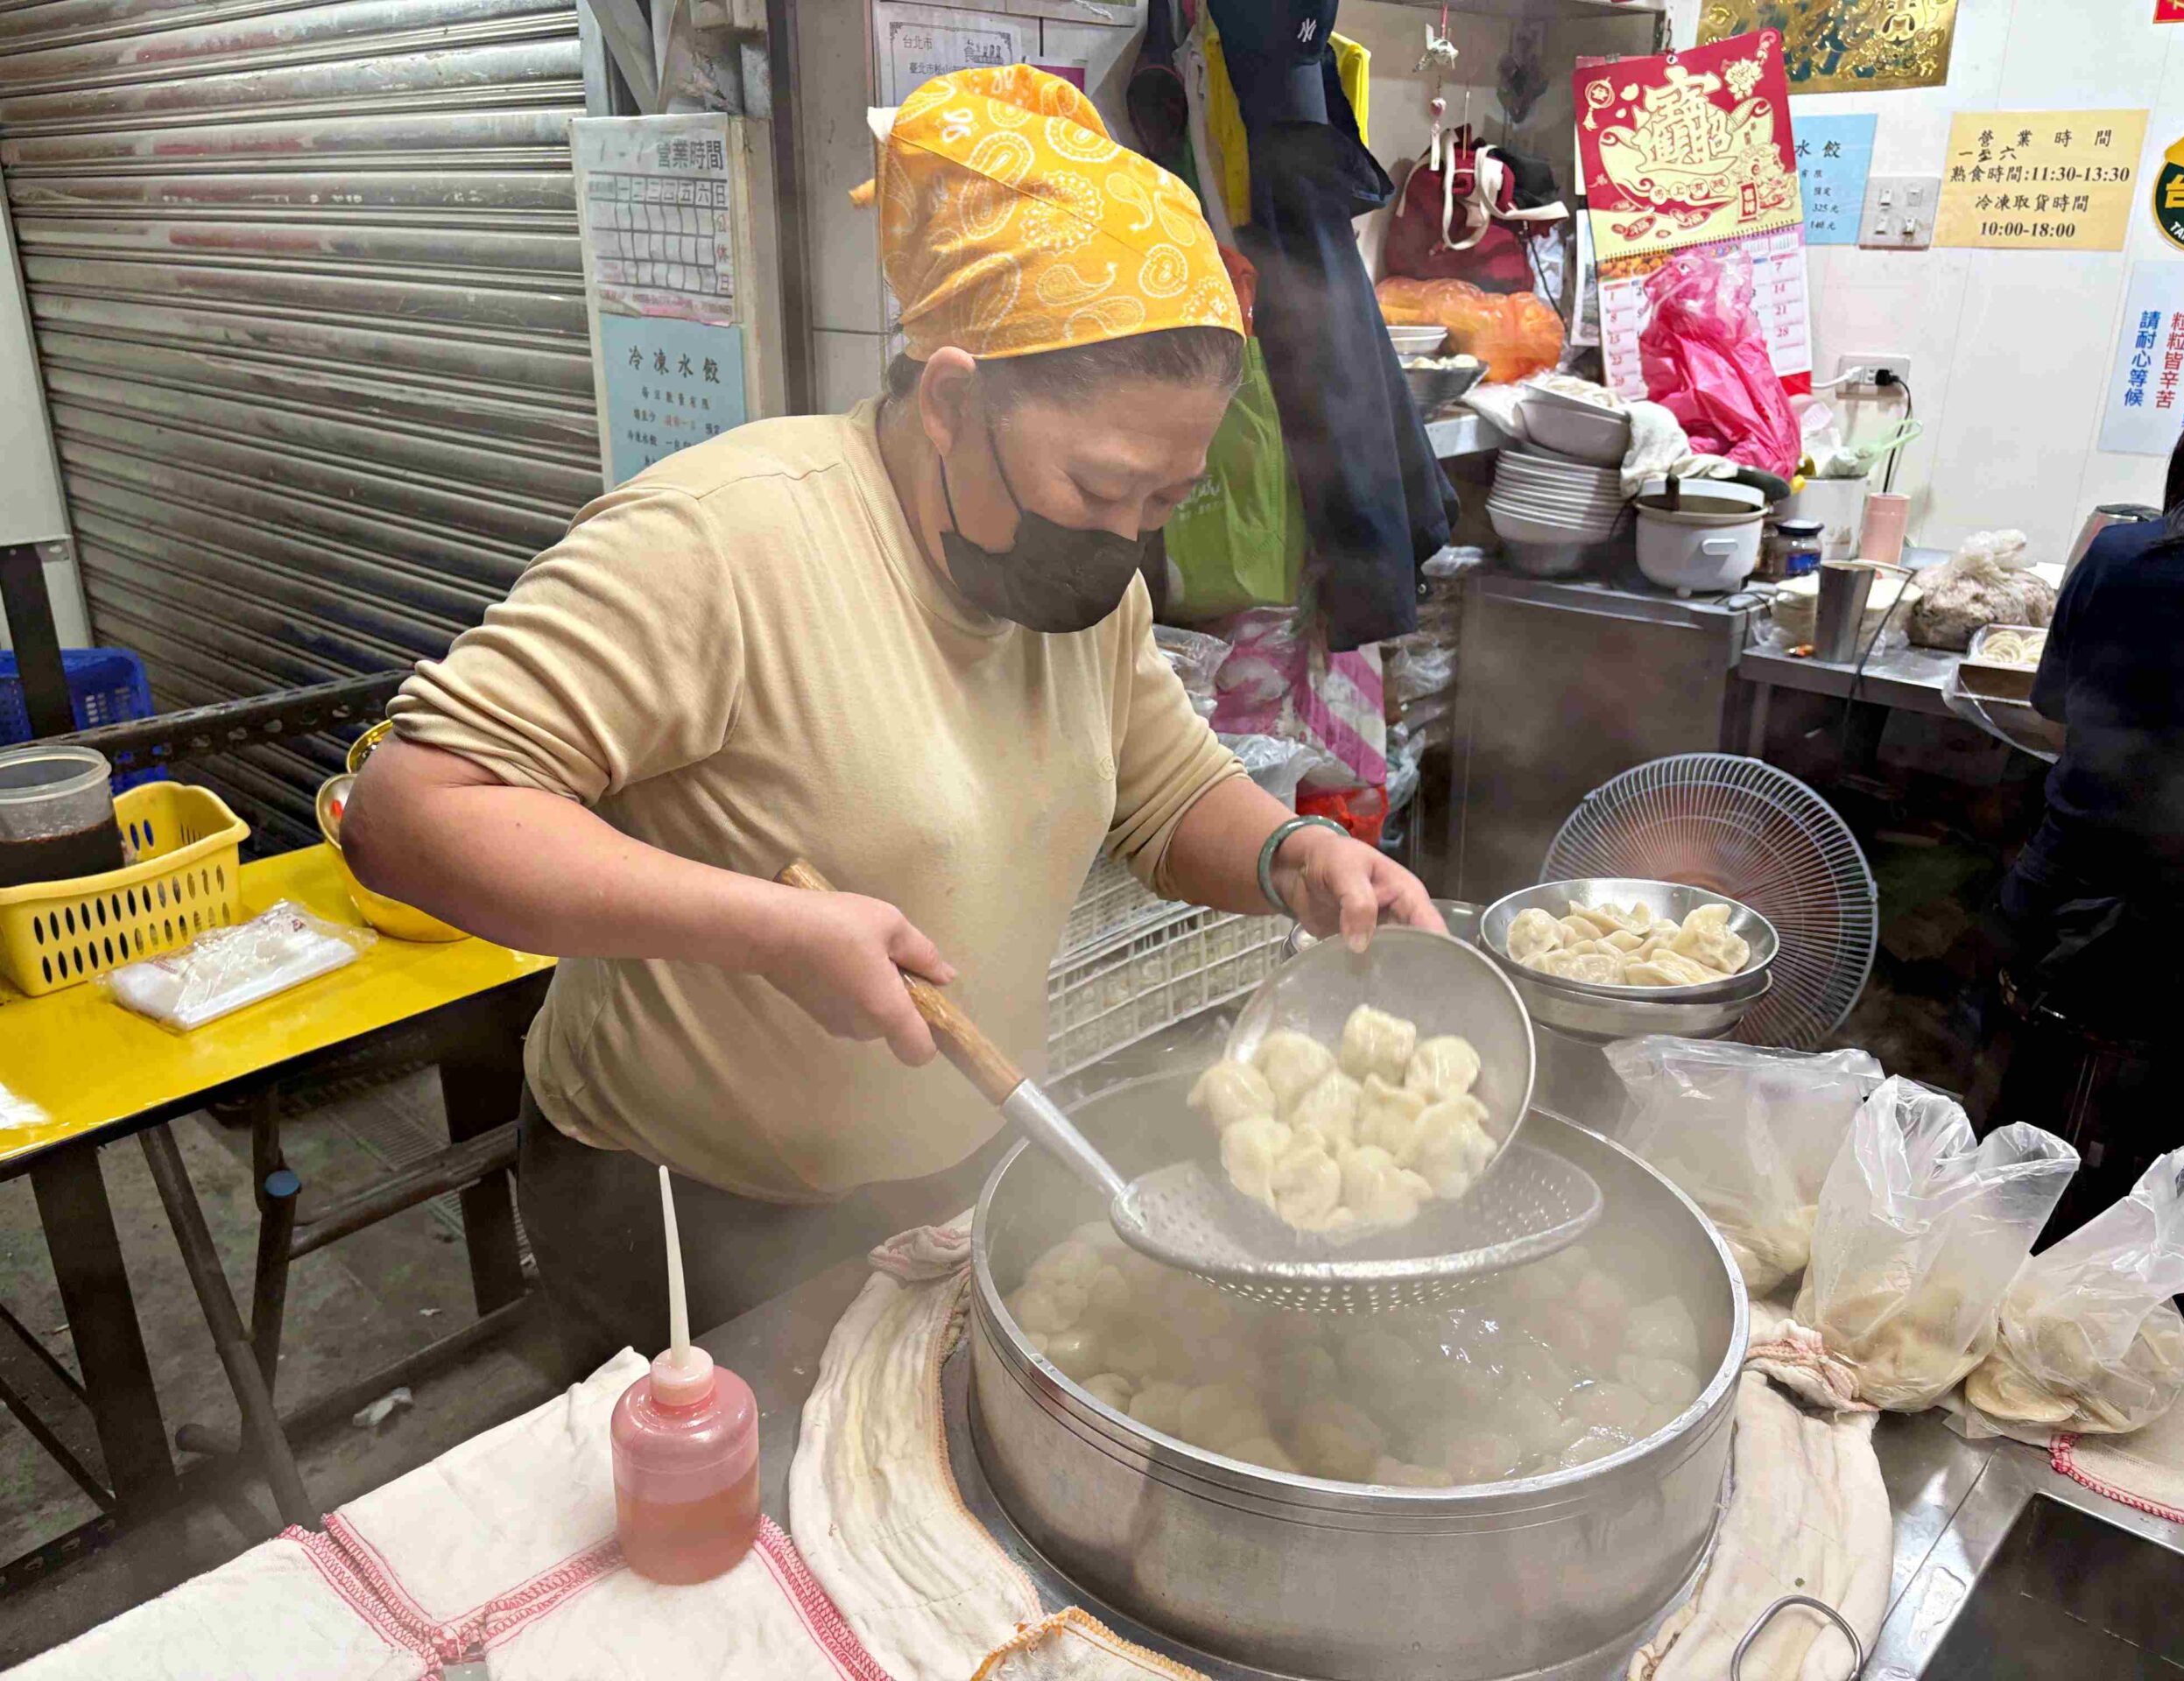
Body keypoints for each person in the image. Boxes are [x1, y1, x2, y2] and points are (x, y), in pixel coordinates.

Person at [344, 66, 1441, 1375]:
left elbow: (1162, 790)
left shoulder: (1085, 589)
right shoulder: (724, 540)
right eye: (1099, 486)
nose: (1127, 539)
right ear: (953, 401)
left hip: (950, 1176)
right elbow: (410, 815)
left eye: (1165, 501)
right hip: (684, 1207)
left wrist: (1287, 857)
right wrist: (769, 930)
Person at [1988, 355, 2184, 1334]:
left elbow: (2052, 701)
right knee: (2141, 1160)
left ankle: (1970, 1312)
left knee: (2018, 1132)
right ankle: (2077, 1342)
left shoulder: (2123, 556)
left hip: (2061, 905)